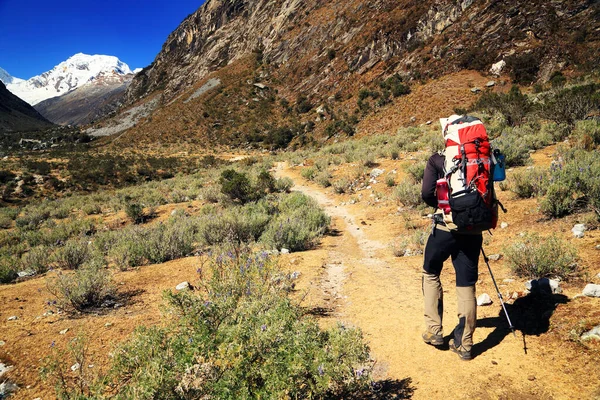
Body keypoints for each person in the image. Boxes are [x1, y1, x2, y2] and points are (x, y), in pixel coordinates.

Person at [420, 119, 483, 361]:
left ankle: (435, 331)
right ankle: (465, 344)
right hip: (473, 229)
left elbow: (427, 193)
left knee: (431, 271)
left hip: (445, 227)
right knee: (466, 283)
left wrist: (444, 206)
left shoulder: (438, 159)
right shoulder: (480, 157)